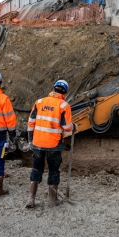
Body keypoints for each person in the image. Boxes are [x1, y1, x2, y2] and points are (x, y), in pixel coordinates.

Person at [25, 80, 74, 208]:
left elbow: (31, 122)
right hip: (53, 144)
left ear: (53, 88)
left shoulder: (39, 102)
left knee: (36, 169)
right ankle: (52, 200)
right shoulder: (64, 105)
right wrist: (74, 126)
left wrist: (31, 140)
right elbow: (67, 127)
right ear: (65, 92)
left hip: (37, 143)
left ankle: (31, 198)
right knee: (53, 170)